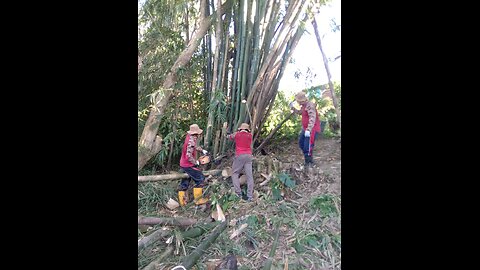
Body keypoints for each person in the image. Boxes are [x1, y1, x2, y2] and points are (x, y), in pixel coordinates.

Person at [178, 124, 209, 206]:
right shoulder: (191, 141)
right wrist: (196, 162)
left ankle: (182, 202)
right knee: (200, 178)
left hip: (183, 163)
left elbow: (194, 146)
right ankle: (198, 200)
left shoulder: (189, 137)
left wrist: (202, 150)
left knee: (185, 182)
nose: (199, 134)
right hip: (188, 164)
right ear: (196, 133)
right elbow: (188, 155)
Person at [290, 91, 321, 166]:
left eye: (298, 101)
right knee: (301, 143)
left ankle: (308, 162)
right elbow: (300, 112)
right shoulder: (303, 106)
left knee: (308, 146)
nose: (297, 102)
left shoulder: (309, 105)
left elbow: (312, 117)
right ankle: (309, 159)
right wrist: (292, 108)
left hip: (311, 129)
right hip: (305, 128)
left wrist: (309, 129)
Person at [226, 123, 254, 202]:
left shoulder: (237, 134)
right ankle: (250, 196)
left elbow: (229, 137)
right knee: (249, 176)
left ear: (240, 129)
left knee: (234, 173)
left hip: (239, 155)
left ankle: (238, 194)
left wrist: (227, 133)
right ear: (247, 129)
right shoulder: (250, 135)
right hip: (248, 156)